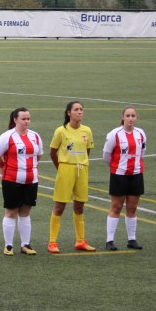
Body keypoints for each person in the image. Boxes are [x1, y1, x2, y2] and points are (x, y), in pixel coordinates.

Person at [0, 107, 43, 256]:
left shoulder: (35, 136)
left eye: (28, 119)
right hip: (11, 180)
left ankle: (25, 244)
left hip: (31, 180)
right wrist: (8, 169)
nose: (26, 122)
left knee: (25, 212)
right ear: (15, 120)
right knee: (11, 211)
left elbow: (38, 155)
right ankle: (8, 245)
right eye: (23, 119)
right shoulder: (7, 137)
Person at [48, 101, 95, 253]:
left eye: (81, 109)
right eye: (76, 109)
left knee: (80, 206)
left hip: (82, 169)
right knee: (60, 206)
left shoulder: (87, 130)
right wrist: (62, 167)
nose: (79, 112)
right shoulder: (61, 131)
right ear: (69, 113)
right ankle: (52, 242)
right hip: (65, 169)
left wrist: (81, 162)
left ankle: (80, 241)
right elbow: (52, 152)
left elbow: (87, 150)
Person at [103, 106, 146, 251]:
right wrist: (116, 167)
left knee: (132, 208)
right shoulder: (114, 134)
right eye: (128, 116)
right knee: (116, 207)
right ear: (122, 117)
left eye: (133, 116)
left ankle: (132, 239)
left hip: (136, 174)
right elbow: (106, 155)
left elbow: (142, 152)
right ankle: (110, 240)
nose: (130, 118)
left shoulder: (141, 133)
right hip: (119, 175)